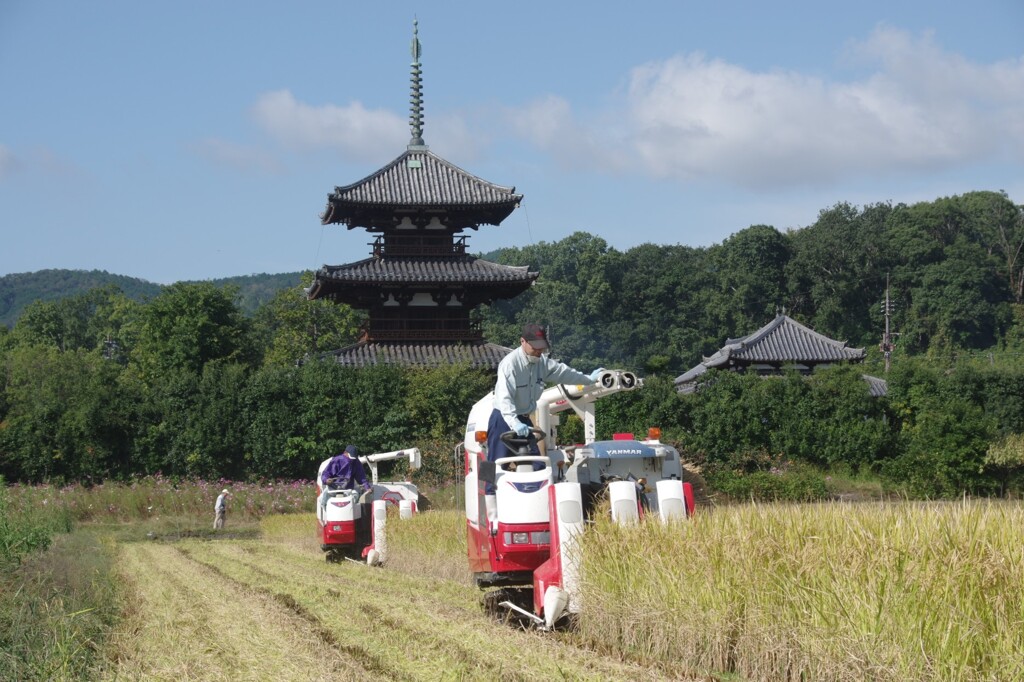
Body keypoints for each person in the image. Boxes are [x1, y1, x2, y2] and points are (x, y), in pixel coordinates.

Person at [487, 323, 604, 468]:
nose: (538, 351)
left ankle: (534, 490)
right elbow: (505, 398)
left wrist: (588, 379)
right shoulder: (510, 364)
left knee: (537, 466)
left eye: (541, 347)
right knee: (496, 466)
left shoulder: (542, 363)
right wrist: (514, 422)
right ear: (523, 341)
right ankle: (490, 492)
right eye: (534, 346)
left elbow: (565, 373)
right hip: (503, 420)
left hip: (524, 420)